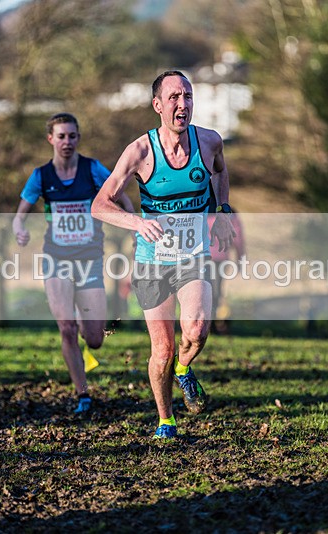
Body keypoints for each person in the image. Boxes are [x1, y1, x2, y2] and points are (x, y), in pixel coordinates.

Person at [91, 71, 235, 438]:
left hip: (194, 257)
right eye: (173, 97)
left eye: (187, 96)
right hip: (152, 262)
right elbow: (100, 205)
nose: (182, 104)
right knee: (162, 350)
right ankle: (166, 420)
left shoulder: (209, 142)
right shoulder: (140, 152)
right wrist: (137, 223)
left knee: (197, 330)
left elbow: (220, 171)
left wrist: (222, 210)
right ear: (157, 105)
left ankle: (185, 369)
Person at [13, 113, 133, 414]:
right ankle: (83, 394)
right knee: (66, 329)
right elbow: (20, 214)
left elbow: (122, 198)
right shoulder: (41, 176)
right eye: (61, 136)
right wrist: (19, 229)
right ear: (50, 139)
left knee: (94, 340)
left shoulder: (93, 169)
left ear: (78, 138)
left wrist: (134, 226)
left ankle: (84, 319)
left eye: (72, 136)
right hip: (56, 260)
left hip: (89, 260)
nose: (67, 141)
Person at [206, 209, 246, 335]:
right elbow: (238, 238)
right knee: (214, 292)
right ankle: (209, 324)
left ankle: (206, 324)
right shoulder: (230, 213)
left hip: (202, 258)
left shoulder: (200, 207)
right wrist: (240, 259)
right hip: (217, 258)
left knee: (205, 291)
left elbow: (237, 237)